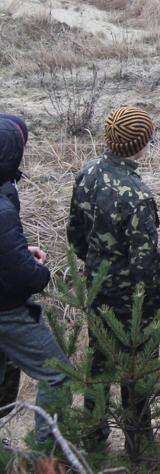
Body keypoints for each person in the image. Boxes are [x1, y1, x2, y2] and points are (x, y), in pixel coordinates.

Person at [67, 106, 160, 456]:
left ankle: (92, 441)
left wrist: (96, 269)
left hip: (97, 289)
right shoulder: (137, 195)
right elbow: (145, 262)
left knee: (98, 364)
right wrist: (156, 302)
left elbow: (75, 233)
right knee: (136, 373)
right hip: (132, 301)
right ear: (143, 144)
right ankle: (140, 447)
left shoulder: (87, 173)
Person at [0, 115, 71, 446]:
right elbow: (23, 277)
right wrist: (39, 270)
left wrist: (15, 249)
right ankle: (49, 458)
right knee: (58, 376)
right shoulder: (1, 207)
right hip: (8, 310)